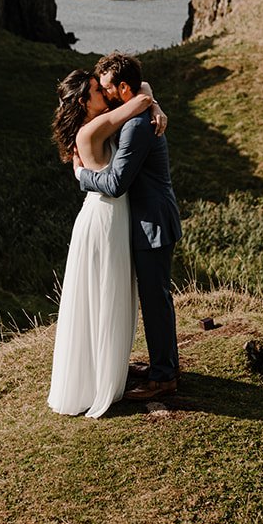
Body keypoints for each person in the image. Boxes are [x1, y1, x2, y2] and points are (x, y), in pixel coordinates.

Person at [46, 69, 164, 417]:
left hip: (109, 217)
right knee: (105, 294)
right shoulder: (93, 128)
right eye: (98, 90)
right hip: (104, 219)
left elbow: (142, 86)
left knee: (103, 296)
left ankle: (103, 373)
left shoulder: (97, 123)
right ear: (84, 101)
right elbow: (140, 95)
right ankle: (101, 381)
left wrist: (155, 106)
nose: (105, 94)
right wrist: (153, 106)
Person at [76, 52, 182, 401]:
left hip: (152, 224)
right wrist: (153, 102)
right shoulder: (136, 109)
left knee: (156, 300)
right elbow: (144, 89)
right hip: (146, 220)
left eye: (106, 87)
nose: (104, 94)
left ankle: (164, 377)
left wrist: (82, 175)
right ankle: (159, 366)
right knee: (152, 298)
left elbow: (118, 182)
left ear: (123, 88)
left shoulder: (137, 126)